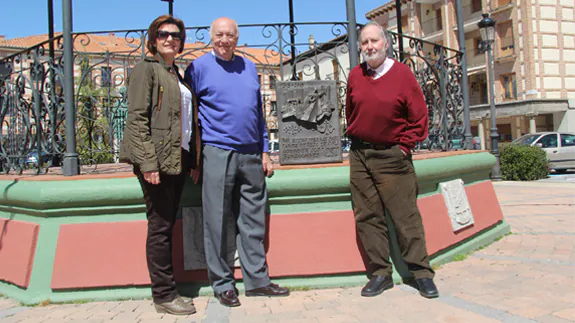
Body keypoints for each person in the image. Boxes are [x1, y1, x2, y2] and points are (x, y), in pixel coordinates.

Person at [184, 17, 289, 308]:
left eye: (230, 35)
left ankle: (258, 281)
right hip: (217, 151)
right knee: (216, 220)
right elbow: (189, 116)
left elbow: (257, 113)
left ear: (237, 38)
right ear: (211, 37)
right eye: (219, 35)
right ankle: (222, 284)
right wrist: (193, 158)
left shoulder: (249, 67)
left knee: (253, 220)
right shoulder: (198, 68)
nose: (224, 40)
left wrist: (265, 150)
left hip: (251, 154)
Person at [345, 21, 439, 299]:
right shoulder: (354, 75)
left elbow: (419, 116)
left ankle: (421, 273)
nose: (370, 47)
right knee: (367, 216)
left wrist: (404, 147)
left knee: (405, 216)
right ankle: (380, 274)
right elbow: (351, 112)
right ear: (361, 47)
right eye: (365, 42)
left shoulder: (402, 75)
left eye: (374, 41)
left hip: (392, 155)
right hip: (360, 154)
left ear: (386, 44)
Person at [119, 14, 201, 315]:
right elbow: (137, 119)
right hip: (157, 163)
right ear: (153, 39)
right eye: (164, 34)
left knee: (165, 224)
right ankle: (164, 295)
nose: (170, 39)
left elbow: (185, 123)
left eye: (176, 35)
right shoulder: (146, 69)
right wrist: (148, 163)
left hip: (175, 161)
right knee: (160, 227)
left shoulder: (174, 73)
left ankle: (168, 291)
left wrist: (192, 159)